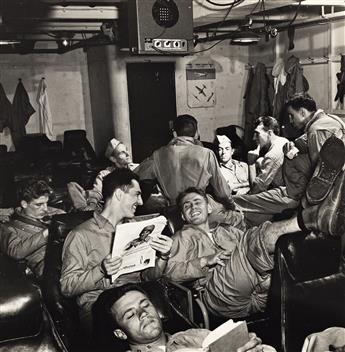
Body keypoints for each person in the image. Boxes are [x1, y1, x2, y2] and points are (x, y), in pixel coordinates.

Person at [164, 187, 344, 319]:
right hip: (221, 295)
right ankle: (310, 215)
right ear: (182, 216)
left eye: (197, 202)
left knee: (288, 247)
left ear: (209, 208)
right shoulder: (180, 238)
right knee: (254, 237)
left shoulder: (227, 230)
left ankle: (316, 211)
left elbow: (258, 253)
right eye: (186, 206)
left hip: (259, 292)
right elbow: (170, 275)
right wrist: (204, 261)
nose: (192, 207)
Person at [60, 168, 173, 332]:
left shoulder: (136, 229)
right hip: (100, 305)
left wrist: (163, 256)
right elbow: (67, 287)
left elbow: (148, 276)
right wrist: (100, 270)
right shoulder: (80, 235)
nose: (141, 202)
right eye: (136, 194)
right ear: (119, 194)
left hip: (136, 294)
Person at [94, 283, 275, 352]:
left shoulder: (194, 335)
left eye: (145, 305)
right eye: (131, 314)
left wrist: (252, 346)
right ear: (120, 334)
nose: (143, 314)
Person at [134, 114, 235, 210]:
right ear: (196, 133)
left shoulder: (157, 155)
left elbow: (135, 176)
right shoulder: (206, 154)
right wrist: (232, 207)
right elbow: (223, 193)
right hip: (199, 211)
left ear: (174, 134)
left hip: (173, 213)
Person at [0, 177, 64, 278]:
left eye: (46, 203)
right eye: (39, 204)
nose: (45, 209)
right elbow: (16, 251)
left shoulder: (51, 213)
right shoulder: (7, 227)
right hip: (49, 268)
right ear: (24, 204)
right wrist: (48, 232)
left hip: (72, 255)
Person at [233, 116, 291, 225]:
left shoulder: (272, 155)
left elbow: (255, 191)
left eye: (257, 134)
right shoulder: (283, 141)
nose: (254, 138)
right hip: (287, 192)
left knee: (234, 202)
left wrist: (250, 163)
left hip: (285, 197)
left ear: (269, 133)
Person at [67, 137, 138, 211]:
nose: (127, 154)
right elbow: (97, 192)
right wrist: (92, 205)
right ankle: (84, 213)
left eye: (126, 149)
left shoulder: (137, 168)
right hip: (110, 207)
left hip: (133, 203)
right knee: (72, 186)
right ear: (113, 159)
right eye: (122, 152)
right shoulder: (104, 174)